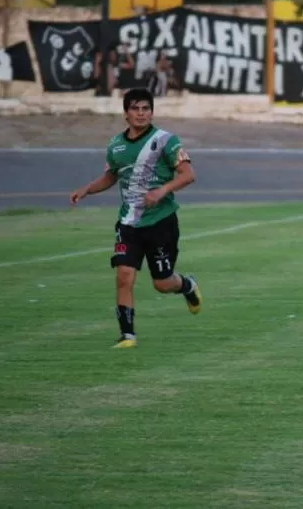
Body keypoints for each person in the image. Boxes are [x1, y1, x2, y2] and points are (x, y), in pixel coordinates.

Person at [70, 88, 203, 348]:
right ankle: (127, 335)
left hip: (161, 222)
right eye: (135, 109)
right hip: (129, 223)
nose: (141, 114)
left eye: (145, 108)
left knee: (162, 284)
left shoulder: (166, 140)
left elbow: (188, 175)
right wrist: (86, 189)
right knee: (124, 275)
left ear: (151, 112)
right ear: (126, 114)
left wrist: (162, 191)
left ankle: (186, 285)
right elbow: (111, 176)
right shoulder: (115, 145)